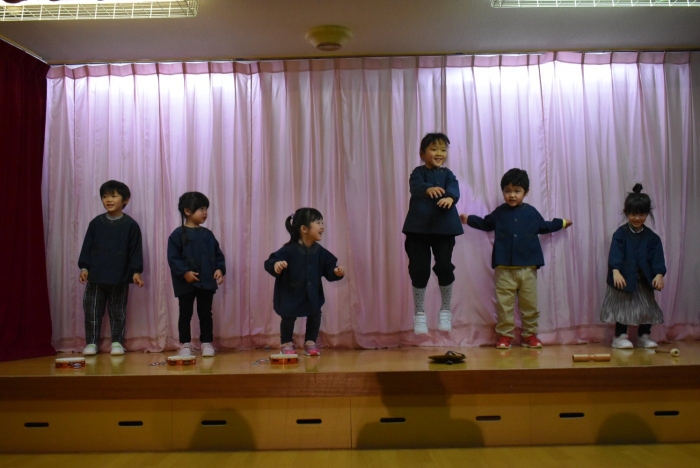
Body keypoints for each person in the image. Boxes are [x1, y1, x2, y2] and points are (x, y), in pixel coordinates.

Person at [460, 168, 572, 349]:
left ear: (525, 192)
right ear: (503, 191)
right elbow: (486, 223)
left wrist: (562, 223)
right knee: (504, 305)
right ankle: (505, 336)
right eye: (507, 191)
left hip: (528, 268)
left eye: (517, 191)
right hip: (504, 268)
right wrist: (469, 219)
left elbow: (544, 227)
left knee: (530, 305)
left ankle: (529, 335)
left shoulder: (531, 212)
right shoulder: (499, 213)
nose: (512, 195)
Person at [402, 133, 464, 335]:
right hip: (418, 230)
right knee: (419, 269)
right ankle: (420, 313)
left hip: (444, 229)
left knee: (445, 266)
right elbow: (415, 186)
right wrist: (428, 189)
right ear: (422, 154)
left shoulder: (448, 174)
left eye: (443, 150)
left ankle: (445, 311)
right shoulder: (417, 173)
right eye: (434, 149)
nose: (439, 153)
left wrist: (451, 198)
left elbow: (454, 188)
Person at [264, 208, 345, 356]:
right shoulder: (288, 250)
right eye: (318, 223)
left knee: (315, 314)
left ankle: (310, 342)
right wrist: (276, 265)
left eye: (322, 223)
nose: (322, 227)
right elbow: (270, 262)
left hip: (312, 293)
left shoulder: (320, 251)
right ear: (304, 229)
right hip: (290, 293)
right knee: (288, 317)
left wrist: (335, 272)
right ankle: (286, 342)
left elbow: (328, 268)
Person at [78, 180, 144, 356]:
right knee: (92, 311)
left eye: (114, 196)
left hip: (119, 277)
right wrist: (84, 268)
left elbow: (135, 251)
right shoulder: (96, 223)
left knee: (118, 312)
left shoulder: (131, 225)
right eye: (105, 196)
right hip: (95, 277)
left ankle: (117, 342)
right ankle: (91, 343)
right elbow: (87, 247)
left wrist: (136, 272)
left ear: (125, 200)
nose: (109, 200)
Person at [600, 184, 665, 349]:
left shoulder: (652, 238)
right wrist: (615, 271)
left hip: (643, 281)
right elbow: (615, 254)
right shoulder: (620, 234)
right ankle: (620, 336)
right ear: (626, 213)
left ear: (647, 214)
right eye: (633, 214)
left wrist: (659, 274)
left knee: (647, 308)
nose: (637, 218)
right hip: (624, 279)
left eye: (641, 214)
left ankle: (644, 336)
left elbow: (657, 258)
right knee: (623, 308)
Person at [167, 192, 225, 357]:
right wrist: (184, 272)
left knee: (206, 313)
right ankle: (185, 344)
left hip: (206, 282)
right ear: (187, 211)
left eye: (206, 208)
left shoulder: (208, 234)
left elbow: (218, 254)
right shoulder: (177, 235)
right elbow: (173, 258)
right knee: (185, 313)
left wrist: (219, 269)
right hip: (186, 284)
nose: (205, 212)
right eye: (201, 209)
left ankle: (206, 342)